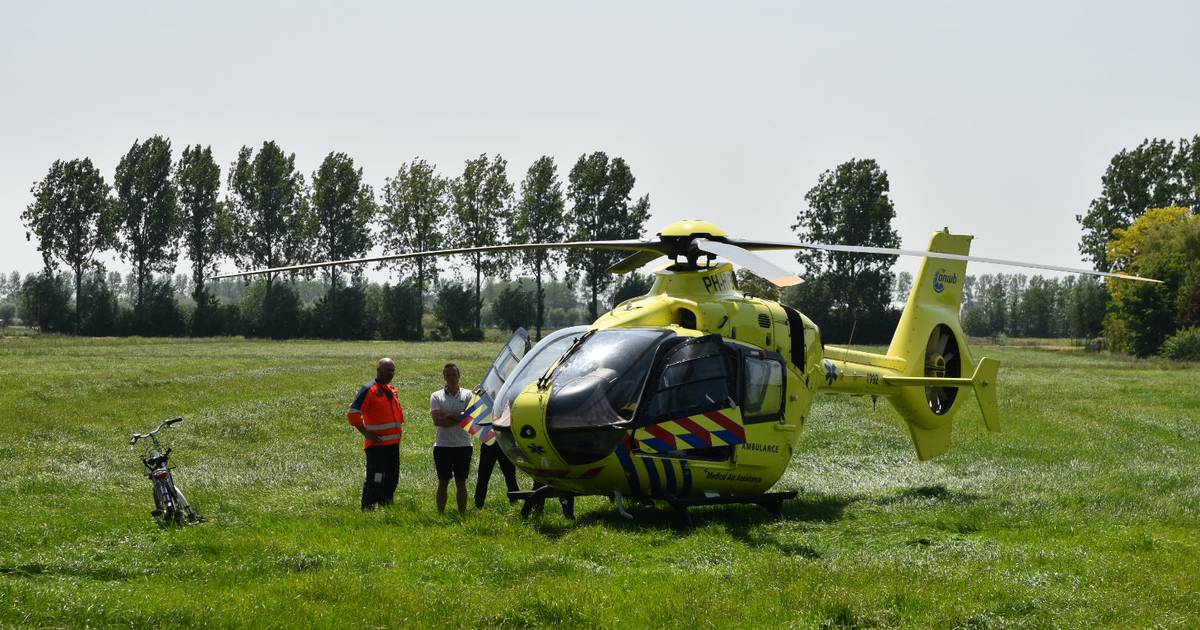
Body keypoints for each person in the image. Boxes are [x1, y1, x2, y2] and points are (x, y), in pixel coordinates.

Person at [347, 357, 404, 510]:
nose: (390, 373)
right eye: (387, 370)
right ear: (378, 370)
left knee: (392, 477)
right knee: (377, 476)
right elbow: (353, 413)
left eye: (392, 370)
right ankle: (368, 505)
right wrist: (366, 433)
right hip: (377, 446)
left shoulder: (391, 390)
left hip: (392, 445)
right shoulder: (369, 390)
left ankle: (386, 504)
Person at [430, 362, 473, 514]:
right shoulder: (436, 396)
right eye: (448, 375)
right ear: (444, 377)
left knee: (461, 482)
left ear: (459, 376)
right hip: (442, 446)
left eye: (454, 374)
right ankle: (440, 513)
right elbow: (437, 421)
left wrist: (448, 415)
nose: (451, 378)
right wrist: (460, 416)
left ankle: (462, 513)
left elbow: (470, 420)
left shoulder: (469, 395)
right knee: (443, 482)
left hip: (463, 445)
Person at [474, 439, 519, 508]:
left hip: (503, 443)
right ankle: (478, 504)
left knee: (510, 476)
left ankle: (515, 502)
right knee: (483, 477)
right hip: (492, 442)